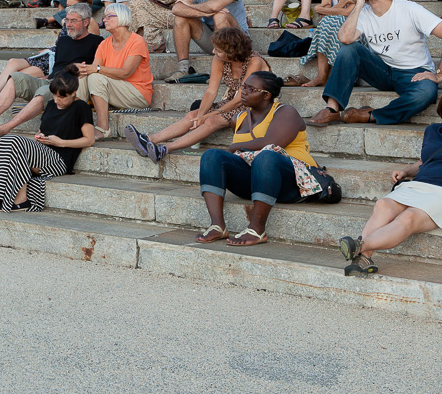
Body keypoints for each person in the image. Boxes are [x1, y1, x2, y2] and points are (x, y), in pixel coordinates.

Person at [195, 72, 322, 247]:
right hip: (258, 181)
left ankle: (257, 229)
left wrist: (233, 148)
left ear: (266, 95)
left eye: (250, 89)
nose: (244, 92)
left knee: (267, 156)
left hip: (294, 182)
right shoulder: (237, 118)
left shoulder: (286, 112)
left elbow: (272, 143)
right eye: (243, 87)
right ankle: (217, 226)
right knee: (211, 156)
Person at [308, 0, 442, 128]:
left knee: (425, 93)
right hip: (382, 71)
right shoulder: (363, 13)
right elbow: (345, 38)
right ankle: (332, 108)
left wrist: (439, 75)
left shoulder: (409, 9)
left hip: (413, 72)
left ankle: (371, 115)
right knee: (350, 48)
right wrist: (358, 6)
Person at [0, 3, 102, 137]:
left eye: (73, 21)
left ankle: (5, 128)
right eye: (67, 20)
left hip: (65, 88)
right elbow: (57, 67)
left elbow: (96, 71)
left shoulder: (97, 43)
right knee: (15, 78)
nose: (68, 25)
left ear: (86, 22)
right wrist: (43, 79)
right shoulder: (64, 40)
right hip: (50, 81)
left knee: (44, 92)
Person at [125, 27, 268, 163]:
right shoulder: (219, 59)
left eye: (218, 50)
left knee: (211, 121)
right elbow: (211, 91)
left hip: (253, 105)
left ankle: (164, 149)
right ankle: (148, 139)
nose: (213, 52)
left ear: (231, 51)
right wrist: (200, 115)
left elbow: (240, 99)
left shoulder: (254, 61)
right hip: (231, 102)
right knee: (192, 115)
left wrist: (207, 117)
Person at [0, 70, 96, 212]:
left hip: (59, 160)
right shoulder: (51, 105)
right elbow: (44, 130)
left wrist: (61, 142)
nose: (56, 100)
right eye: (54, 95)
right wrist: (40, 136)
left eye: (61, 97)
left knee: (15, 141)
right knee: (7, 140)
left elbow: (89, 140)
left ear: (73, 93)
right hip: (43, 153)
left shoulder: (81, 107)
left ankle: (21, 200)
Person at [337, 122, 442, 276]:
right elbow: (424, 162)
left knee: (409, 217)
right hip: (420, 184)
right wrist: (405, 172)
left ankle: (360, 247)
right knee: (383, 205)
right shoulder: (433, 130)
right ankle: (364, 258)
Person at [74, 4, 152, 137]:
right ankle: (74, 123)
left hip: (137, 93)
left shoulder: (137, 41)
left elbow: (125, 72)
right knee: (83, 76)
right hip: (116, 90)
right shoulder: (104, 44)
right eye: (104, 17)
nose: (104, 20)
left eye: (109, 17)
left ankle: (103, 129)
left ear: (122, 18)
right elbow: (93, 70)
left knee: (95, 76)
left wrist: (96, 69)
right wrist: (82, 69)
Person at [167, 0, 248, 81]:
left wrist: (190, 5)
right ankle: (183, 70)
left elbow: (216, 6)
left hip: (238, 41)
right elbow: (176, 9)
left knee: (220, 15)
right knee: (181, 17)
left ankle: (226, 71)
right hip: (214, 40)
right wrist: (204, 12)